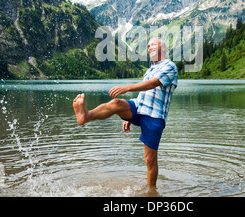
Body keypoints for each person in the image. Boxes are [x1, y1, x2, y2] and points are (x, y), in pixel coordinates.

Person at [72, 37, 178, 187]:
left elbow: (153, 84)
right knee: (116, 104)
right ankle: (86, 116)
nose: (149, 48)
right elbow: (144, 94)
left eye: (153, 44)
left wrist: (126, 88)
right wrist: (129, 117)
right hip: (139, 107)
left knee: (150, 159)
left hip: (154, 116)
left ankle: (151, 192)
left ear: (164, 48)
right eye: (147, 46)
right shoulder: (150, 69)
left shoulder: (170, 66)